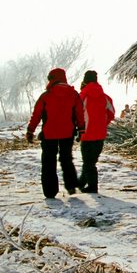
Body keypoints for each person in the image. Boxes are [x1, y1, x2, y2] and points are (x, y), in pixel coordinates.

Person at [26, 68, 84, 199]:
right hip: (67, 133)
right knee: (66, 159)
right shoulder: (74, 95)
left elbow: (37, 115)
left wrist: (30, 130)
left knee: (48, 162)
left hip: (49, 134)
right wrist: (81, 130)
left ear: (52, 79)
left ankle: (50, 191)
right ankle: (71, 185)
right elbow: (80, 114)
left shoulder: (46, 96)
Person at [78, 69, 116, 194]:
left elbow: (75, 114)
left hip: (86, 133)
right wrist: (102, 124)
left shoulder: (82, 96)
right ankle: (81, 182)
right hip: (100, 134)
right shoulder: (105, 97)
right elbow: (111, 114)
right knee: (91, 161)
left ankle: (92, 187)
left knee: (88, 162)